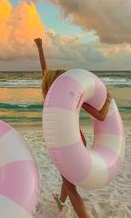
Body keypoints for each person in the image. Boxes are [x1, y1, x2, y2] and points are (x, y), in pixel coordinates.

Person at [34, 38, 112, 218]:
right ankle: (61, 202)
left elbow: (44, 71)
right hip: (78, 139)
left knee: (69, 184)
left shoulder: (49, 97)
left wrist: (40, 48)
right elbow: (100, 116)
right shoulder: (75, 98)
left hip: (63, 144)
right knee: (67, 177)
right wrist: (107, 100)